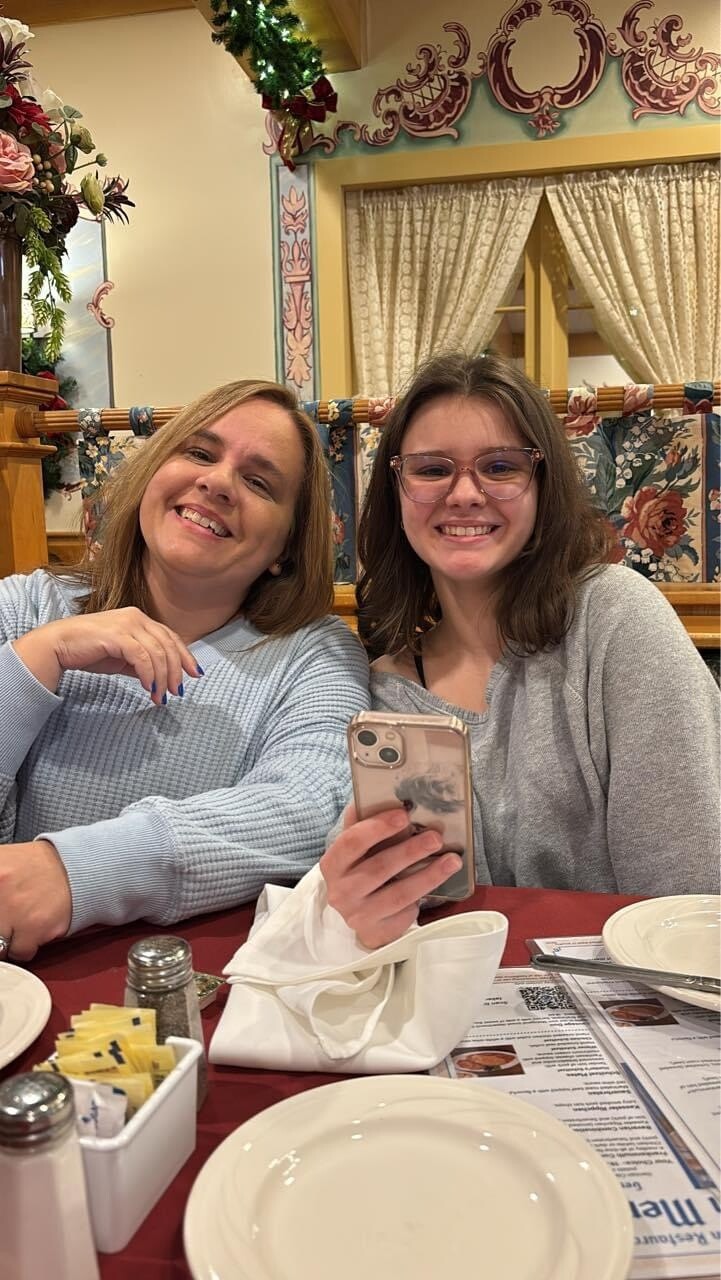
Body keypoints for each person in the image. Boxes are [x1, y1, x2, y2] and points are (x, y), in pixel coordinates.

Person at [320, 353, 720, 948]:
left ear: (542, 485)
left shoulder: (617, 619)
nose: (464, 494)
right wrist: (358, 907)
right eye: (432, 469)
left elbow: (688, 906)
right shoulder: (381, 693)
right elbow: (393, 919)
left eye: (501, 466)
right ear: (396, 490)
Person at [0, 379, 369, 960]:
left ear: (286, 547)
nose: (217, 482)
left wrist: (74, 871)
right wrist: (37, 659)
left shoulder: (314, 656)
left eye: (259, 482)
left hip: (197, 990)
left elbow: (308, 809)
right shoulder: (28, 608)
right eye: (199, 452)